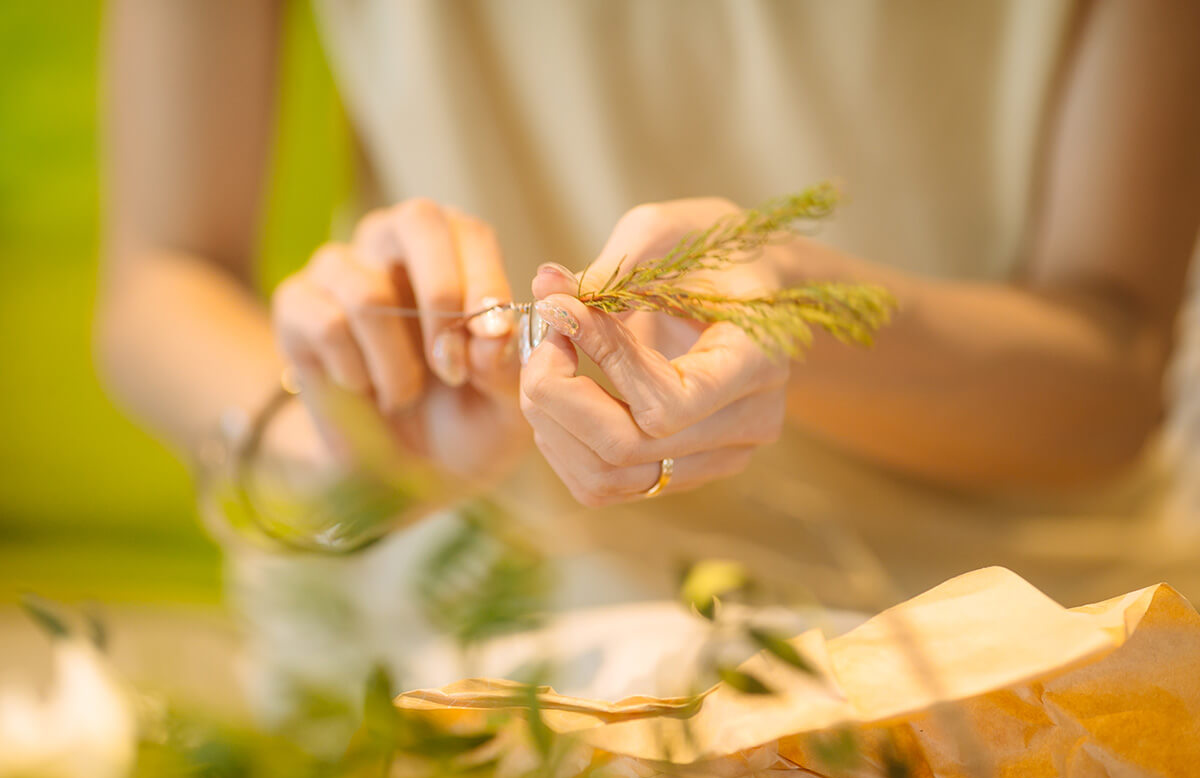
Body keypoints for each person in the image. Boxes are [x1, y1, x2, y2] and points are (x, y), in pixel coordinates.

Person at [98, 0, 1200, 620]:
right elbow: (159, 279)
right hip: (463, 611)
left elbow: (1111, 373)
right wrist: (342, 449)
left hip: (985, 613)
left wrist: (803, 319)